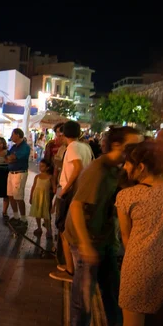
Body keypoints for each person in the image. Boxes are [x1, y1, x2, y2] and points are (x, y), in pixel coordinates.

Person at [64, 126, 141, 326]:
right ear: (117, 146)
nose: (137, 150)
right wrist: (85, 245)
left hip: (104, 237)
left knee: (113, 287)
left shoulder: (117, 169)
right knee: (84, 289)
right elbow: (76, 206)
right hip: (86, 237)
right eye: (133, 145)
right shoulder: (97, 170)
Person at [115, 141, 163, 326]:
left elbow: (126, 238)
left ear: (142, 167)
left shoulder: (127, 196)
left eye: (128, 163)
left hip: (137, 265)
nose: (125, 167)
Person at [50, 120, 94, 282]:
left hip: (71, 193)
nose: (58, 136)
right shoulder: (85, 147)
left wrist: (65, 189)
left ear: (63, 133)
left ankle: (70, 270)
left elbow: (78, 167)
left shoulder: (73, 147)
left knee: (64, 231)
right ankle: (71, 266)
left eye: (59, 133)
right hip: (80, 191)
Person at [5, 128, 31, 228]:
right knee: (10, 195)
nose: (11, 136)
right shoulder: (14, 146)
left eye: (13, 134)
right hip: (11, 172)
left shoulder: (24, 147)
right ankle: (16, 216)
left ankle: (23, 219)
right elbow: (8, 158)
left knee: (18, 197)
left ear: (18, 135)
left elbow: (12, 158)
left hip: (19, 173)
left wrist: (10, 158)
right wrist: (10, 158)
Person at [29, 160, 54, 239]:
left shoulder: (50, 177)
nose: (40, 167)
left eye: (42, 166)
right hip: (37, 197)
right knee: (38, 213)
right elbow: (33, 187)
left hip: (45, 197)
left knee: (46, 214)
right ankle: (39, 227)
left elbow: (54, 188)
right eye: (40, 166)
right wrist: (31, 197)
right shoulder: (37, 176)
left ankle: (48, 230)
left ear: (47, 168)